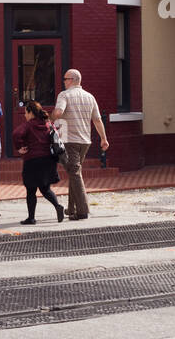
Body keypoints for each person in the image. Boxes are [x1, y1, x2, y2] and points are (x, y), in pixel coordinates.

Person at [50, 69, 108, 220]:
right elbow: (97, 119)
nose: (64, 81)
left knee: (75, 174)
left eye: (65, 79)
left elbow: (58, 112)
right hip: (85, 141)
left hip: (70, 140)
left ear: (72, 80)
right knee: (73, 172)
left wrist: (50, 118)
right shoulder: (90, 97)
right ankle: (71, 208)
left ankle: (82, 211)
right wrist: (103, 138)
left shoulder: (64, 95)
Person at [12, 101, 66, 224]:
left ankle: (31, 218)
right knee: (45, 188)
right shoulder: (48, 123)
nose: (25, 115)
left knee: (31, 190)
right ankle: (58, 206)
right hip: (48, 160)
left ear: (30, 112)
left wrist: (19, 147)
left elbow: (16, 134)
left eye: (26, 112)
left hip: (32, 160)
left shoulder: (29, 125)